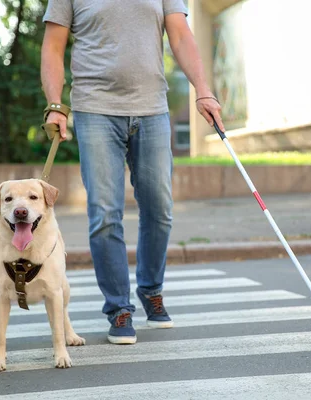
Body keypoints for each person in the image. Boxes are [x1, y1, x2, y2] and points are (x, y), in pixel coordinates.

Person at [41, 0, 225, 345]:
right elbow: (53, 46)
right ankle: (118, 308)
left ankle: (151, 289)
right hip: (95, 109)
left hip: (152, 109)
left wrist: (203, 90)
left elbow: (181, 36)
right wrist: (56, 106)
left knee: (159, 209)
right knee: (105, 213)